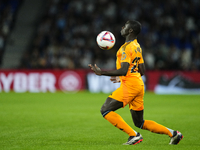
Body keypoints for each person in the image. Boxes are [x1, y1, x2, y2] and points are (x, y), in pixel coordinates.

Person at [88, 20, 183, 145]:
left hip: (130, 86)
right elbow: (142, 70)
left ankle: (134, 136)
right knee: (140, 122)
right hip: (138, 84)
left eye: (125, 26)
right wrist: (120, 77)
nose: (122, 27)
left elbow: (123, 70)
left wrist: (102, 72)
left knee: (105, 109)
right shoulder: (137, 46)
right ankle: (174, 134)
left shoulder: (126, 48)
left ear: (130, 30)